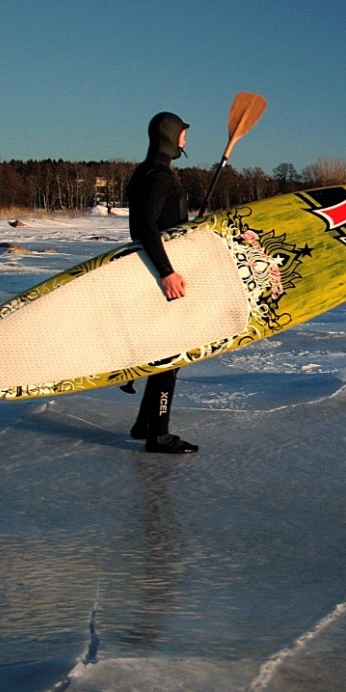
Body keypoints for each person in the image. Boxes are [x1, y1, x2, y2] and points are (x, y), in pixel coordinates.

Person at [126, 111, 199, 454]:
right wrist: (167, 272)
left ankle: (145, 424)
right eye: (183, 132)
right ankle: (159, 434)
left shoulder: (145, 172)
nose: (185, 138)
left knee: (163, 352)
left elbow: (161, 223)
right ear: (171, 136)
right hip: (160, 272)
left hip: (149, 270)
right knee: (171, 355)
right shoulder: (161, 177)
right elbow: (145, 225)